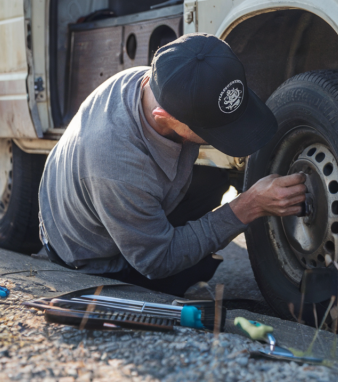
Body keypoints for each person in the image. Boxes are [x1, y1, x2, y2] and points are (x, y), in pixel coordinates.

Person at [37, 33, 307, 296]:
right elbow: (156, 260)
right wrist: (248, 206)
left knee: (213, 180)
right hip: (94, 259)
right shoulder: (118, 168)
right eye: (212, 129)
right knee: (185, 269)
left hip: (100, 201)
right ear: (163, 116)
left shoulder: (164, 81)